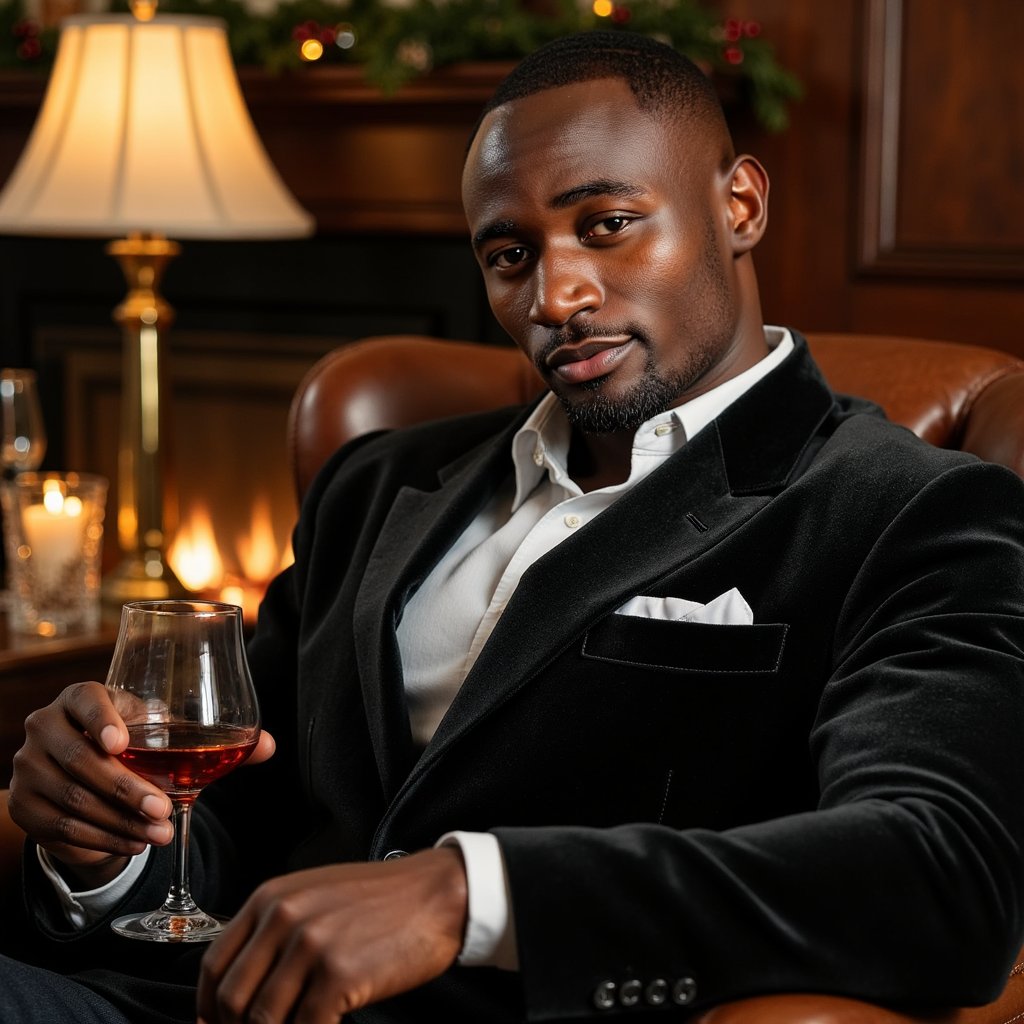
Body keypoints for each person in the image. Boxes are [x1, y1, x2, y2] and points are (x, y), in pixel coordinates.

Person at [2, 29, 1024, 1024]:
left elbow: (941, 874)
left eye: (608, 223)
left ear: (740, 204)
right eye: (507, 253)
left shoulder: (912, 512)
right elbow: (246, 824)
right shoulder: (377, 483)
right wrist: (103, 848)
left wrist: (467, 895)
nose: (555, 294)